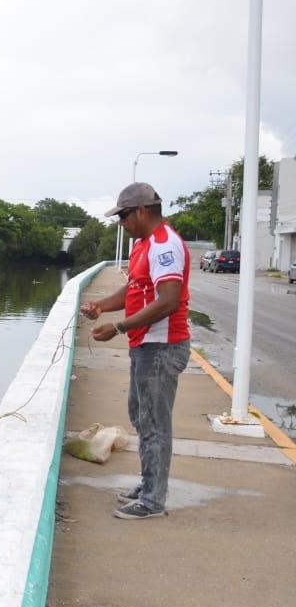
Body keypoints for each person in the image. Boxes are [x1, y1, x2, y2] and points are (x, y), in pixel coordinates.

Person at [80, 182, 191, 520]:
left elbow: (169, 301)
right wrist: (102, 306)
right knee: (140, 417)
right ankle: (148, 485)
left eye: (124, 215)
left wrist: (119, 327)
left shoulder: (164, 245)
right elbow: (133, 289)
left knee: (155, 424)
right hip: (143, 345)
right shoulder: (142, 245)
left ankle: (153, 501)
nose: (121, 223)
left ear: (142, 211)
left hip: (161, 347)